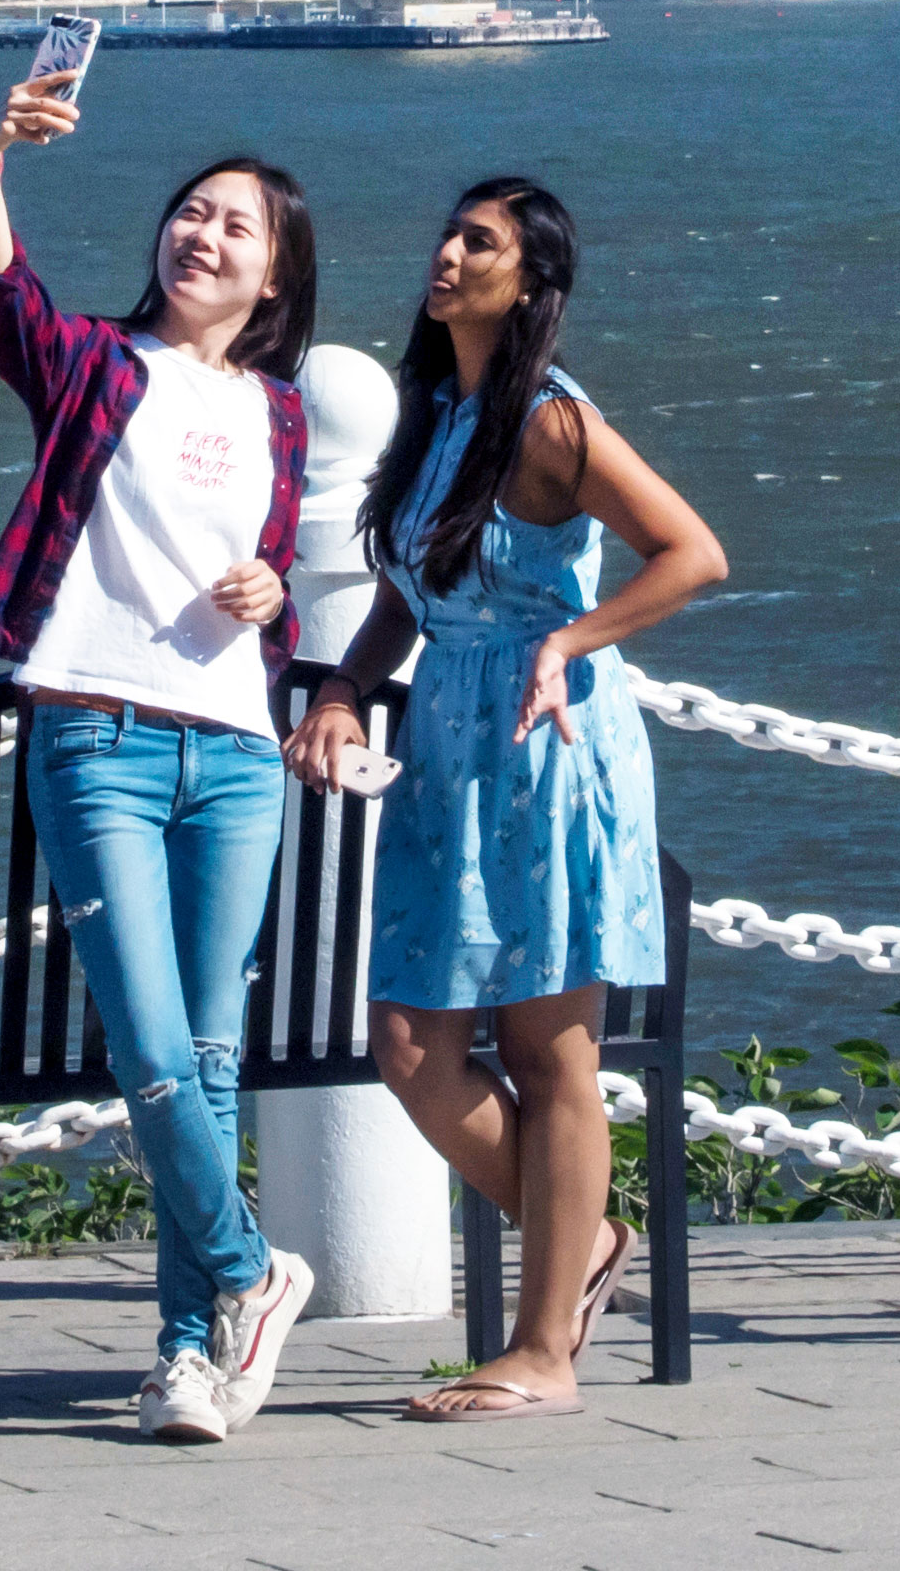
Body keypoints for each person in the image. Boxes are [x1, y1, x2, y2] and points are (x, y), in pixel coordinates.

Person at [0, 64, 392, 1444]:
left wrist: (270, 592)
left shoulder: (280, 413)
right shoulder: (93, 366)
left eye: (235, 227)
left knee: (204, 1064)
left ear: (276, 276)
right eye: (190, 215)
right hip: (97, 735)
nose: (201, 237)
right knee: (148, 1046)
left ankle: (191, 1358)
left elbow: (263, 561)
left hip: (239, 758)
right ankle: (258, 1271)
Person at [307, 174, 724, 1420]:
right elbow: (407, 590)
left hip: (548, 746)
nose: (444, 254)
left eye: (476, 243)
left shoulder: (548, 417)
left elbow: (691, 551)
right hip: (446, 745)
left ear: (529, 283)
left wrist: (573, 639)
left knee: (552, 1053)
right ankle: (584, 1247)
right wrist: (340, 688)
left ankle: (545, 1352)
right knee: (408, 1045)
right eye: (445, 232)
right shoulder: (443, 406)